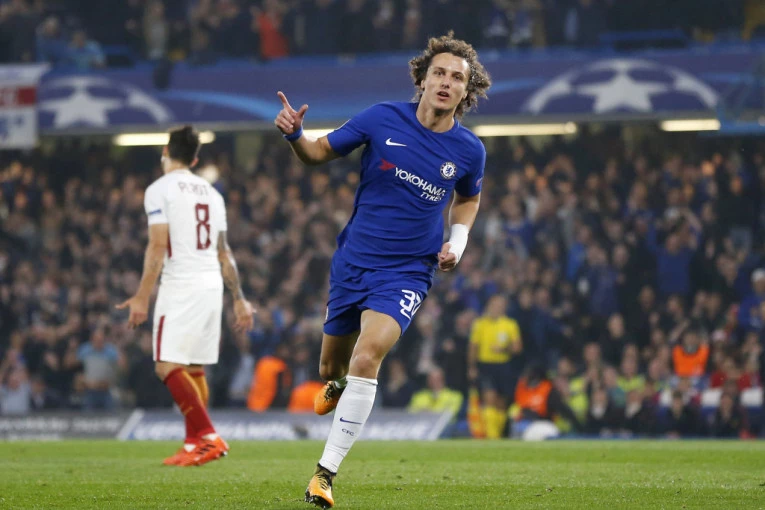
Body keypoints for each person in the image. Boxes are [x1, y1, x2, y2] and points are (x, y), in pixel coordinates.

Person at [274, 32, 491, 508]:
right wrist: (295, 136)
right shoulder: (381, 118)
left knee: (367, 356)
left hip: (408, 272)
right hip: (354, 262)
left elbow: (469, 198)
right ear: (422, 79)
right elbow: (317, 153)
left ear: (466, 90)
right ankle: (337, 384)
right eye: (439, 73)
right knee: (331, 368)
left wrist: (457, 242)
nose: (446, 82)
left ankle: (324, 476)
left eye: (457, 78)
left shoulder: (469, 150)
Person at [117, 126, 255, 467]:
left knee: (166, 365)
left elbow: (157, 245)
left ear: (166, 151)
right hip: (211, 284)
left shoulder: (159, 189)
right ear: (194, 160)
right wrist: (238, 297)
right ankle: (194, 444)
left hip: (181, 283)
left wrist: (141, 296)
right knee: (193, 368)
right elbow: (224, 251)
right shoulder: (212, 193)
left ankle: (209, 437)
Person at [467, 294, 522, 439]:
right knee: (489, 398)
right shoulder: (479, 324)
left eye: (499, 306)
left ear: (504, 308)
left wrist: (504, 349)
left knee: (501, 403)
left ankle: (498, 434)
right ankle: (492, 436)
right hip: (486, 366)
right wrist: (472, 367)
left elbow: (517, 348)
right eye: (494, 305)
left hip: (504, 366)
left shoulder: (510, 324)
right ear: (489, 306)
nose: (496, 308)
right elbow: (473, 347)